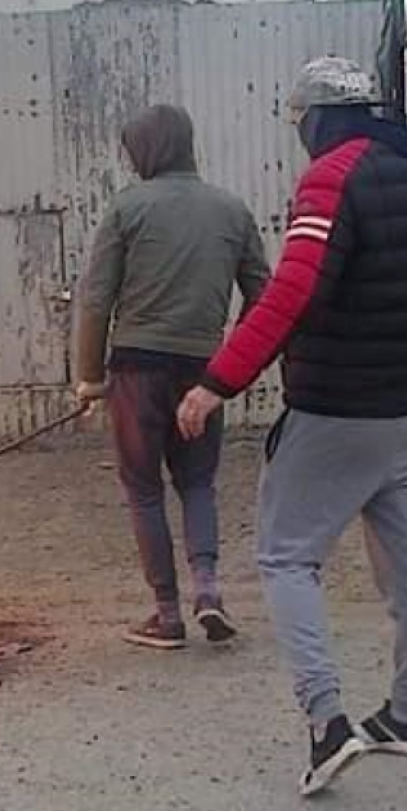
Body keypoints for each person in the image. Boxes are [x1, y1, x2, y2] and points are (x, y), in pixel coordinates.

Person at [176, 57, 407, 797]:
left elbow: (290, 294)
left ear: (316, 119)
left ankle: (327, 723)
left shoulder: (333, 178)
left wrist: (217, 382)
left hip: (335, 409)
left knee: (285, 559)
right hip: (406, 409)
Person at [74, 104, 270, 651]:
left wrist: (89, 377)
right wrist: (235, 362)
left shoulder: (126, 208)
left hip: (136, 368)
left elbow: (96, 299)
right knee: (198, 482)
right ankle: (209, 591)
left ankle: (166, 614)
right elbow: (264, 295)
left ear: (148, 149)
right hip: (203, 370)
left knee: (142, 489)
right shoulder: (232, 210)